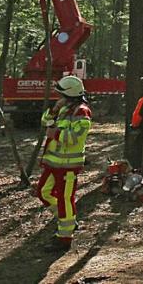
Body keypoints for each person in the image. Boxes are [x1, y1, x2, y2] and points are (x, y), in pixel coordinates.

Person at [36, 75, 92, 253]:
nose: (58, 97)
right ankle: (68, 218)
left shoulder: (82, 112)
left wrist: (56, 134)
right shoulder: (63, 107)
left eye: (61, 94)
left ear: (70, 94)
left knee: (65, 199)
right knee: (43, 193)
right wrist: (54, 110)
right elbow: (45, 121)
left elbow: (76, 138)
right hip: (53, 162)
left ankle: (64, 238)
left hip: (68, 166)